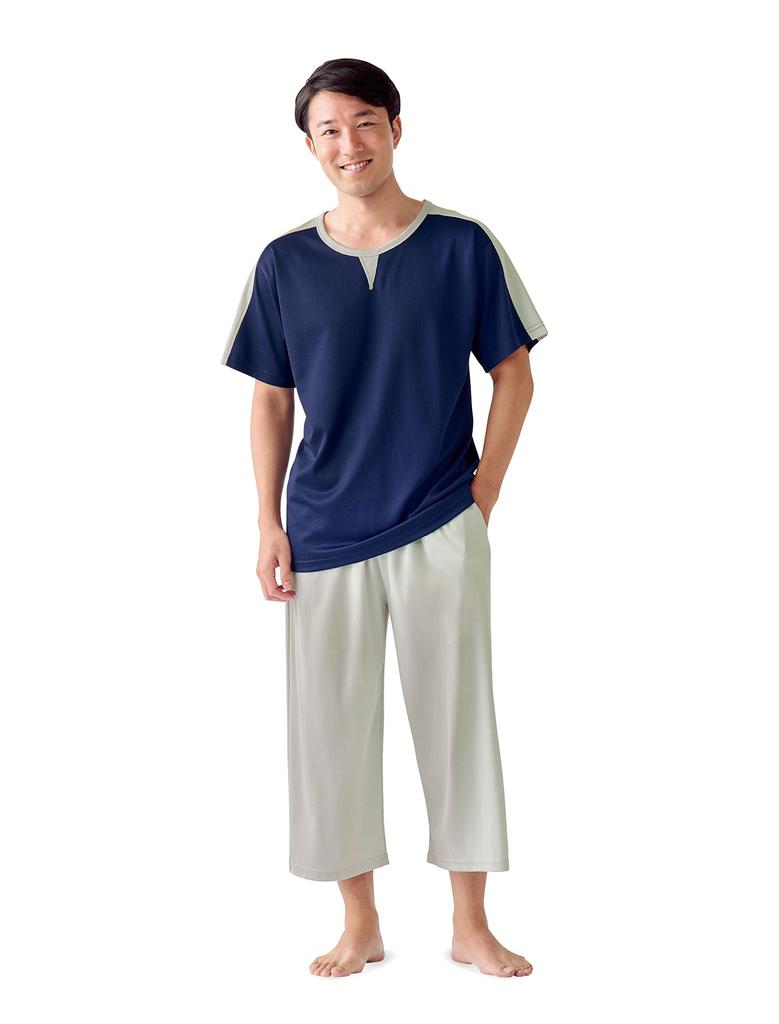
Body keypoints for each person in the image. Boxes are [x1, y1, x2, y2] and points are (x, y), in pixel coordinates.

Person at [221, 58, 548, 978]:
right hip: (322, 533)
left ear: (395, 129)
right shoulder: (283, 262)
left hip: (439, 518)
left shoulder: (461, 245)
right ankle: (358, 923)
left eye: (364, 122)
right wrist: (267, 523)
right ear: (310, 146)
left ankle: (470, 924)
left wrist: (483, 491)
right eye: (327, 129)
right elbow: (270, 400)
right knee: (329, 730)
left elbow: (514, 372)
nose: (348, 144)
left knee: (459, 723)